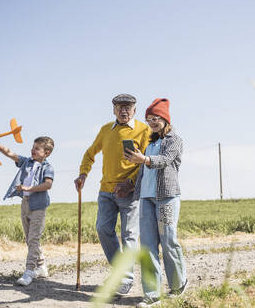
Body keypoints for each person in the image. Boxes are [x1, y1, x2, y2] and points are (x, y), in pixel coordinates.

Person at [74, 94, 150, 295]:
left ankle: (125, 279)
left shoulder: (144, 130)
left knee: (129, 236)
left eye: (127, 107)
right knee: (102, 229)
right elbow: (90, 154)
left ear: (135, 110)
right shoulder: (106, 130)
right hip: (106, 191)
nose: (123, 111)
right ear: (113, 110)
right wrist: (83, 174)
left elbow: (145, 163)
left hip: (130, 192)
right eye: (119, 107)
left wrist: (130, 182)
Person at [125, 98, 187, 307]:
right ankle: (152, 294)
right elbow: (144, 171)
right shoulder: (149, 143)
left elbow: (165, 160)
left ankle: (178, 286)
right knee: (148, 246)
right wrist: (132, 184)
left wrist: (144, 160)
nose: (152, 122)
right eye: (149, 119)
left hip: (167, 198)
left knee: (168, 240)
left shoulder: (174, 141)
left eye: (155, 118)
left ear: (164, 119)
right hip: (146, 199)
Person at [0, 136, 55, 286]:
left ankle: (29, 271)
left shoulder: (48, 168)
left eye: (37, 149)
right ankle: (41, 267)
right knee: (29, 239)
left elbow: (48, 185)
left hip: (39, 206)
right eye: (32, 147)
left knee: (34, 238)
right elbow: (11, 154)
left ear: (46, 152)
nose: (32, 150)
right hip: (25, 204)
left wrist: (29, 188)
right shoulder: (27, 162)